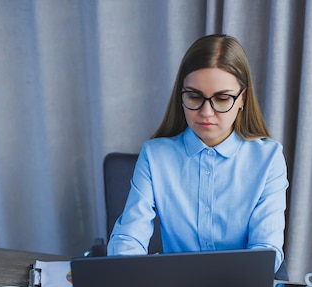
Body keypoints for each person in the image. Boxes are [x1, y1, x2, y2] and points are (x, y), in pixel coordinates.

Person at [107, 34, 288, 274]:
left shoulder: (269, 159)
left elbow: (266, 249)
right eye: (194, 96)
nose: (205, 112)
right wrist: (127, 273)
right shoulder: (155, 155)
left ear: (242, 98)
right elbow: (129, 237)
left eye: (222, 99)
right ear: (181, 95)